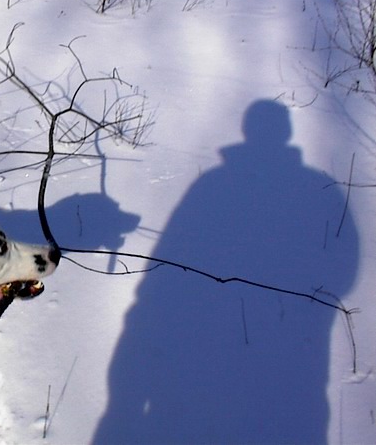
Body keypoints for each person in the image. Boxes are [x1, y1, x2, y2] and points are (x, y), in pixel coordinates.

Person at [95, 100, 359, 444]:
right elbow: (346, 265)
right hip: (271, 358)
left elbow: (163, 268)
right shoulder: (316, 185)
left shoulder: (215, 184)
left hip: (272, 353)